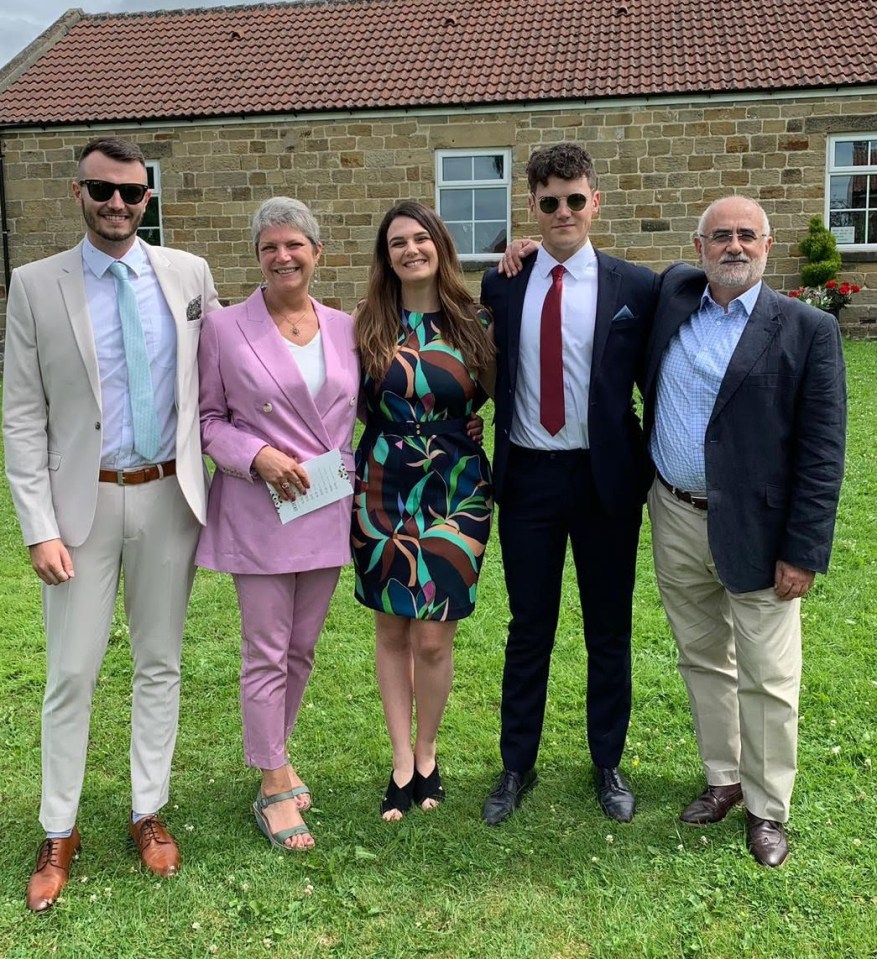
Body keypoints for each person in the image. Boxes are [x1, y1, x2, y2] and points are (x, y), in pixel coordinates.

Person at [3, 137, 220, 911]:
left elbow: (226, 368)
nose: (118, 204)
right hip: (79, 506)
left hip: (169, 497)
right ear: (79, 194)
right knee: (70, 672)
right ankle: (58, 827)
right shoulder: (34, 285)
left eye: (131, 192)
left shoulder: (188, 274)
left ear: (147, 199)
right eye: (103, 190)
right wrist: (37, 525)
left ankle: (146, 810)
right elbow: (23, 415)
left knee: (159, 661)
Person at [643, 196, 846, 866]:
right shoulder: (673, 297)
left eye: (746, 235)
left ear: (767, 244)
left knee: (767, 674)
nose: (733, 246)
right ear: (697, 246)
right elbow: (602, 272)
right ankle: (722, 778)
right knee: (701, 655)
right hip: (673, 512)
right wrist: (525, 248)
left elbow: (822, 450)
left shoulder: (806, 329)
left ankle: (767, 809)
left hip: (761, 528)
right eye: (720, 235)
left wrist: (804, 548)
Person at [479, 142, 659, 826]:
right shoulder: (505, 280)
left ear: (594, 202)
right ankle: (515, 764)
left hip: (603, 481)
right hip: (528, 477)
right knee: (529, 626)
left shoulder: (633, 287)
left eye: (574, 199)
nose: (563, 212)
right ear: (532, 206)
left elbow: (655, 381)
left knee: (608, 629)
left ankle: (607, 761)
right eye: (549, 201)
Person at [195, 198, 359, 850]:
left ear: (317, 252)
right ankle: (271, 782)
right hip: (260, 509)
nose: (282, 256)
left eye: (294, 245)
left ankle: (276, 755)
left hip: (323, 504)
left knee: (301, 650)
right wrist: (254, 456)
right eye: (269, 247)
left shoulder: (347, 327)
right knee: (265, 650)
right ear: (257, 256)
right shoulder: (224, 327)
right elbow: (208, 419)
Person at [351, 200, 495, 820]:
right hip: (382, 484)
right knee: (391, 628)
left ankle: (430, 753)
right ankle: (402, 761)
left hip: (456, 487)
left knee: (433, 635)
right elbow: (344, 400)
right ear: (386, 258)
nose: (410, 250)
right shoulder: (364, 325)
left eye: (420, 239)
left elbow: (498, 395)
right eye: (397, 243)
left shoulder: (475, 321)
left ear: (439, 244)